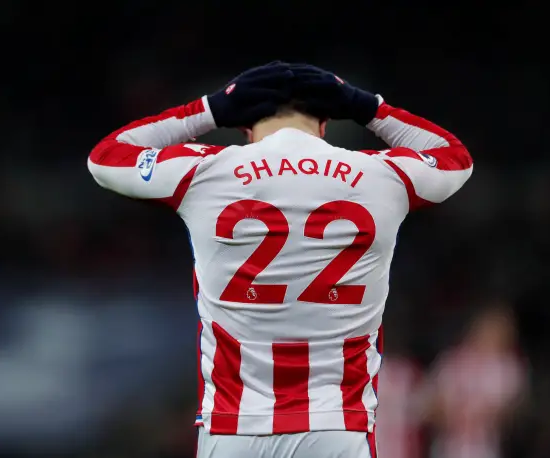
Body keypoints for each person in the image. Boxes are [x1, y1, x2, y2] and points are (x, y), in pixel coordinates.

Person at [87, 61, 473, 458]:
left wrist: (209, 109)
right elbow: (454, 159)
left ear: (244, 127)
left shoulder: (205, 170)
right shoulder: (381, 174)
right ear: (325, 125)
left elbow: (105, 159)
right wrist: (366, 107)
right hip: (337, 426)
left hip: (234, 428)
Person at [423, 305, 526, 458]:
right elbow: (429, 407)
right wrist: (449, 415)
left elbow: (511, 413)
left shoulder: (508, 367)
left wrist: (482, 416)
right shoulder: (452, 360)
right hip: (447, 449)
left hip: (485, 449)